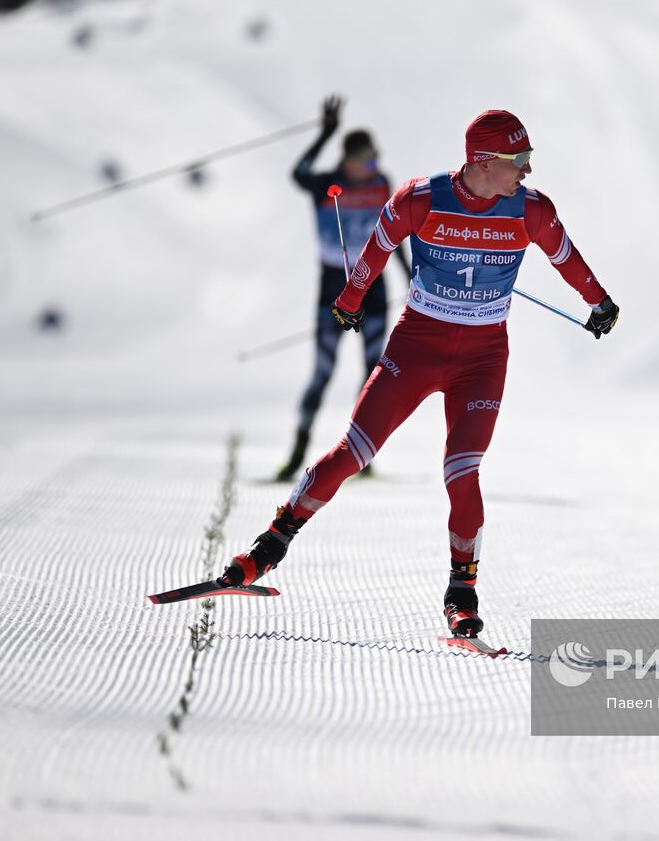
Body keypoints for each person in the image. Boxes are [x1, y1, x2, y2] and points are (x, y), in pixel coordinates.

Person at [223, 110, 620, 640]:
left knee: (462, 472)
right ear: (483, 160)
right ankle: (269, 546)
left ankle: (462, 594)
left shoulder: (532, 210)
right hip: (416, 347)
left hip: (482, 360)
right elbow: (379, 244)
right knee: (352, 453)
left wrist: (600, 303)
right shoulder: (420, 198)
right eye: (518, 159)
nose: (527, 169)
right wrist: (350, 299)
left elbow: (566, 258)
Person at [276, 95, 411, 483]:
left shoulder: (382, 182)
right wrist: (325, 134)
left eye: (375, 158)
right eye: (365, 160)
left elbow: (394, 234)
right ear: (347, 160)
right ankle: (296, 454)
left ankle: (361, 458)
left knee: (373, 374)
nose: (373, 167)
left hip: (373, 287)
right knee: (322, 372)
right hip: (333, 290)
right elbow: (297, 173)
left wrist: (410, 276)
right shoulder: (325, 185)